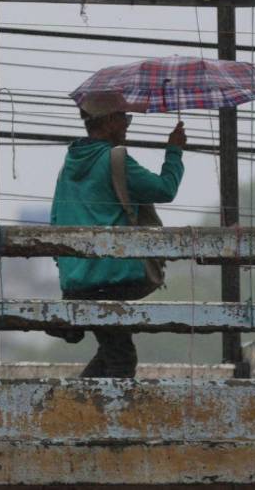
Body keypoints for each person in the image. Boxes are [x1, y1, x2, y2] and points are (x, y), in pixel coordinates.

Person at [50, 106, 186, 377]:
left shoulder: (69, 166)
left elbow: (55, 219)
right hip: (111, 279)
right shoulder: (115, 159)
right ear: (109, 120)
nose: (127, 125)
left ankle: (77, 406)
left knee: (113, 350)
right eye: (125, 118)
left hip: (79, 281)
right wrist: (174, 151)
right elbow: (164, 189)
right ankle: (81, 411)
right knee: (121, 359)